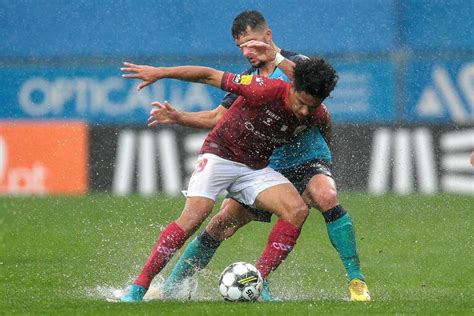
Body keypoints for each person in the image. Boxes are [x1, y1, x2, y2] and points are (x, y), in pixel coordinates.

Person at [153, 10, 371, 302]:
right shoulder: (250, 81)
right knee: (220, 225)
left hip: (307, 158)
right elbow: (218, 117)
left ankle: (356, 281)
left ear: (268, 36)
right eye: (242, 48)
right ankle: (172, 286)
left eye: (253, 43)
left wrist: (277, 56)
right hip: (267, 167)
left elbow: (312, 88)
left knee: (326, 196)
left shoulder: (299, 65)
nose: (249, 52)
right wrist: (179, 116)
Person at [119, 56, 338, 302]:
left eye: (312, 106)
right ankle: (138, 287)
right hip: (220, 156)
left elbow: (324, 128)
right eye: (301, 103)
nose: (304, 111)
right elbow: (208, 74)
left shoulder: (315, 113)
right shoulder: (262, 88)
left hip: (254, 169)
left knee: (296, 210)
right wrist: (161, 72)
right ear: (292, 86)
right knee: (194, 217)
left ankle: (260, 282)